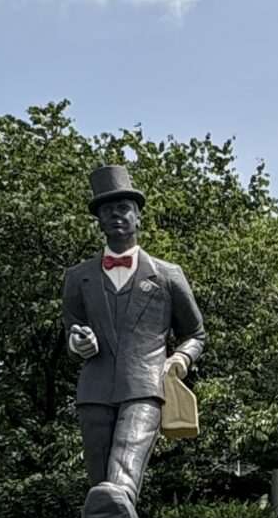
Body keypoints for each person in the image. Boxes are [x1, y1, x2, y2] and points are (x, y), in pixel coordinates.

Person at [62, 164, 205, 500]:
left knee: (121, 476)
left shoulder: (168, 275)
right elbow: (71, 329)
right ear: (98, 221)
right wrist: (77, 342)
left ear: (139, 217)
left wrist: (180, 360)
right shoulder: (77, 277)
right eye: (107, 210)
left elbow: (195, 333)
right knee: (99, 483)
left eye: (124, 208)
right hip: (93, 390)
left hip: (145, 386)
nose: (116, 215)